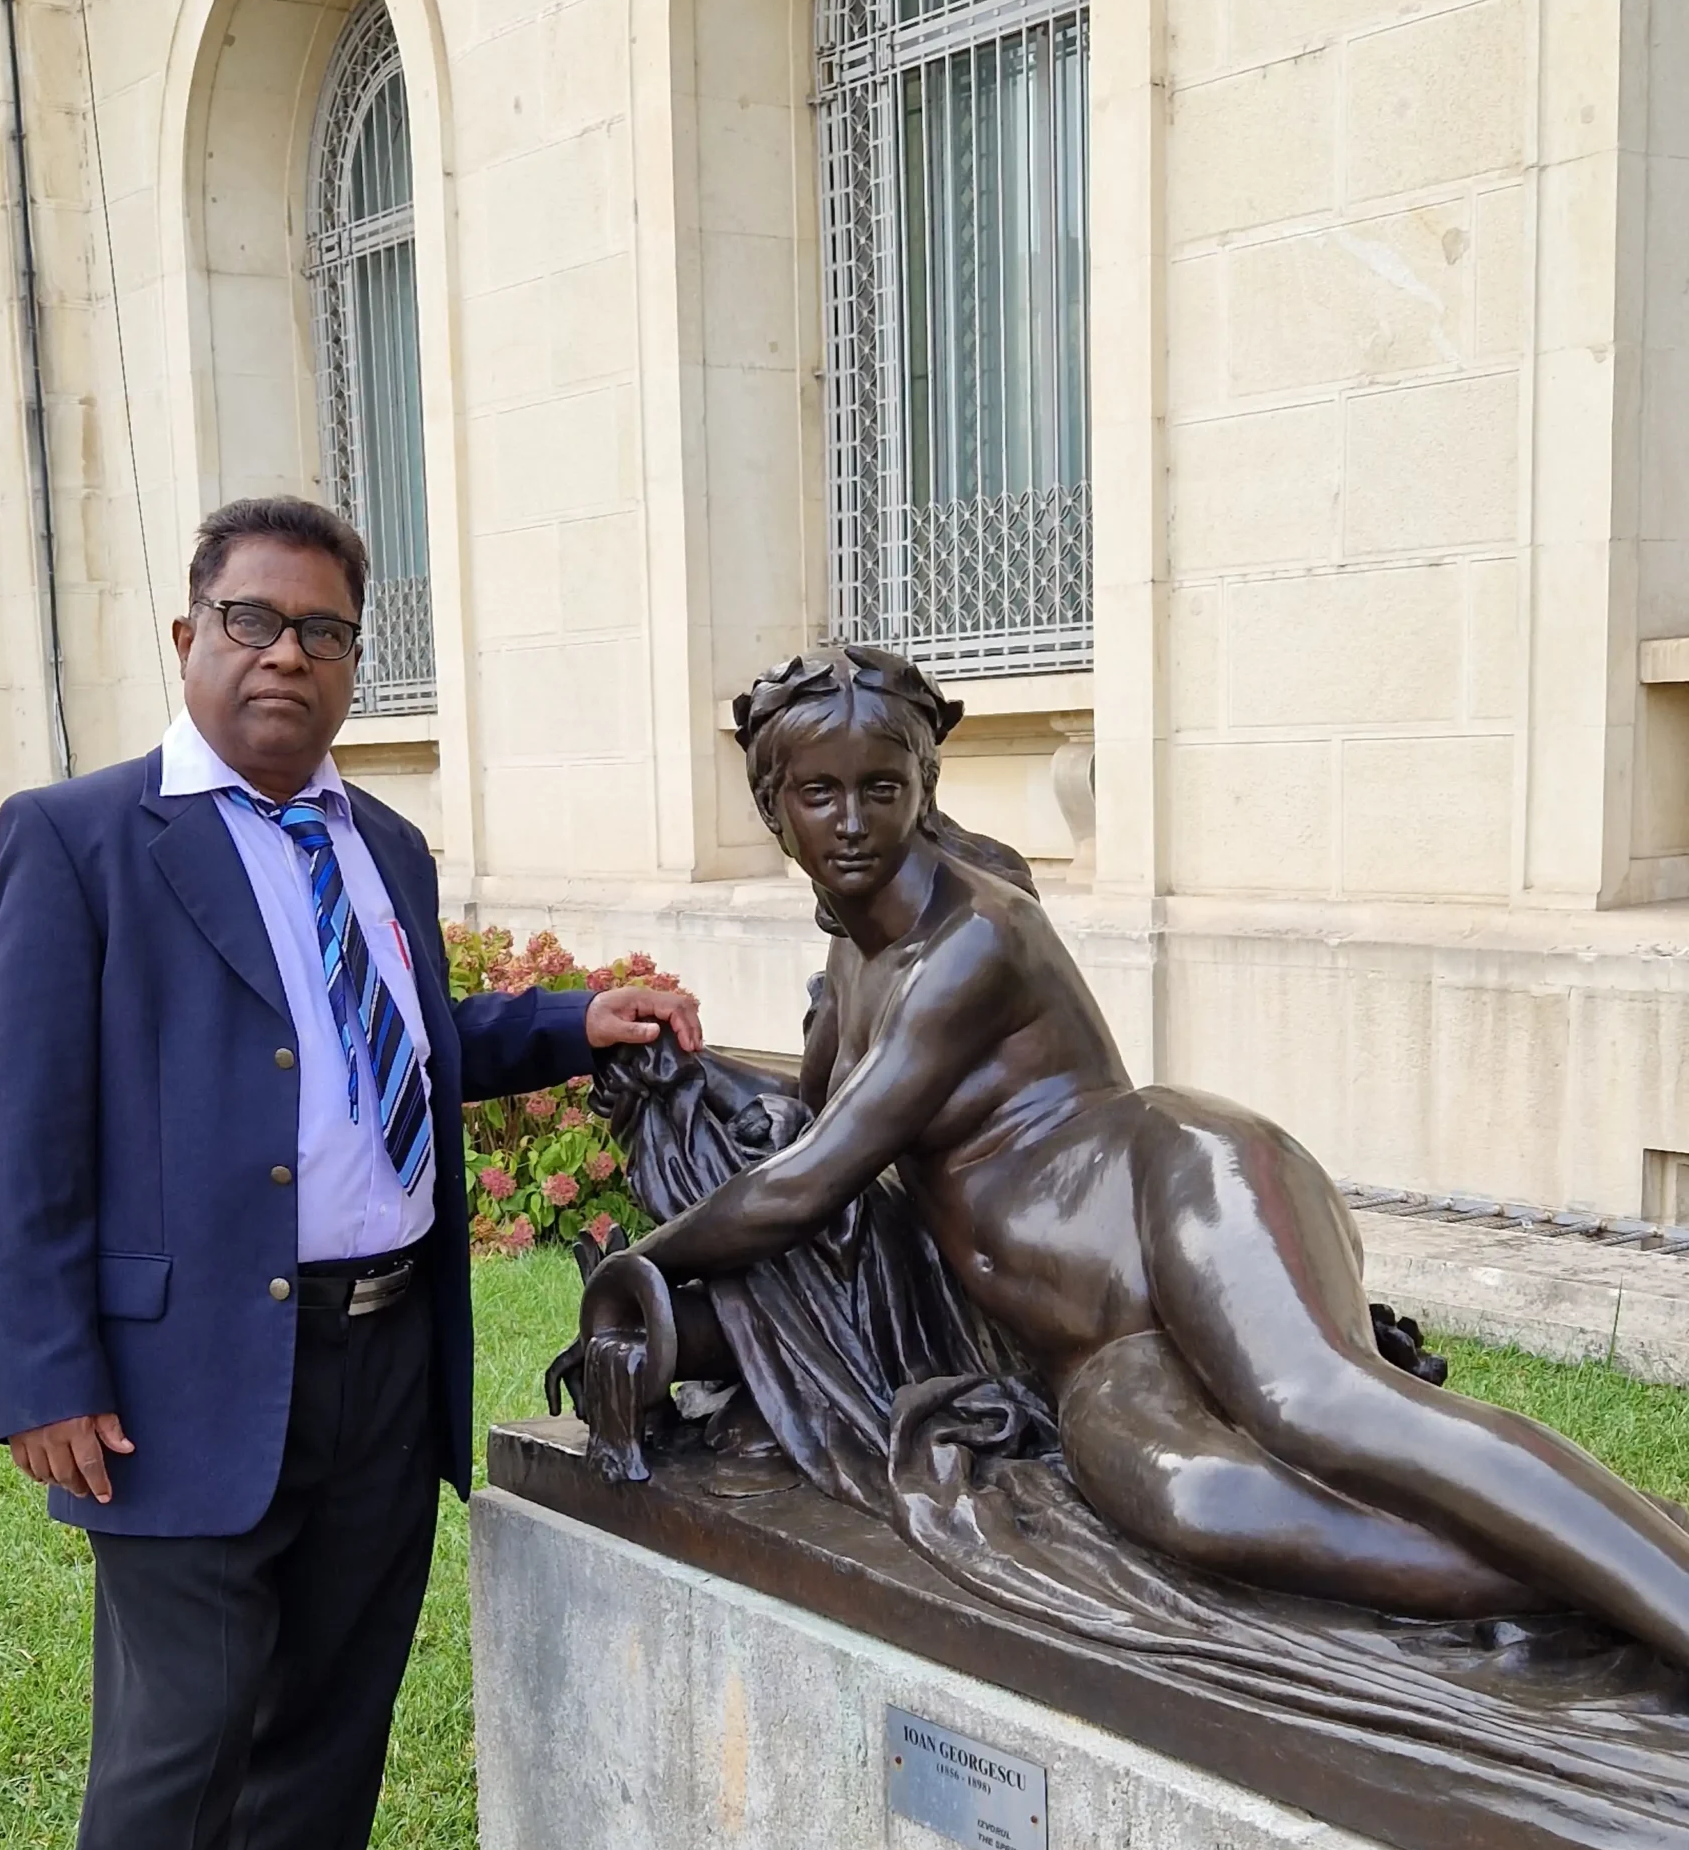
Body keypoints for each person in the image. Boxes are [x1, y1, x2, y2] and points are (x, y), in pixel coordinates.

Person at [0, 496, 699, 1850]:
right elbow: (14, 1132)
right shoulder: (83, 842)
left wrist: (565, 1025)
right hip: (181, 1382)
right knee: (177, 1749)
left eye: (324, 631)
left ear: (359, 660)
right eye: (253, 621)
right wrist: (42, 1372)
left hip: (381, 1351)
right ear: (189, 639)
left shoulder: (384, 845)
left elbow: (397, 1049)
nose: (287, 654)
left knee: (334, 1710)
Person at [583, 645, 1689, 1675]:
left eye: (882, 787)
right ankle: (1589, 1581)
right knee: (1197, 1504)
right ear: (773, 808)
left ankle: (1661, 1591)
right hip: (1088, 1349)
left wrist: (641, 1264)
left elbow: (806, 1182)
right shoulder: (852, 956)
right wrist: (682, 1070)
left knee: (1324, 1407)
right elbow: (812, 1120)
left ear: (924, 784)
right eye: (820, 794)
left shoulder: (973, 942)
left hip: (1182, 1189)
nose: (853, 822)